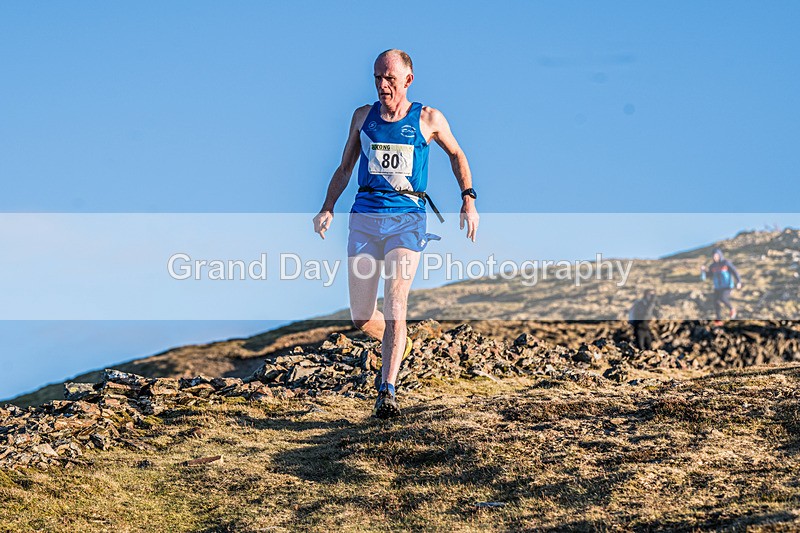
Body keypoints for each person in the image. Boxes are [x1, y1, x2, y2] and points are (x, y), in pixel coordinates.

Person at [313, 49, 479, 419]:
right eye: (377, 78)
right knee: (360, 316)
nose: (382, 85)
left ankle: (386, 390)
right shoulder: (362, 118)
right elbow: (344, 168)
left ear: (408, 80)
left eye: (390, 78)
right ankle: (398, 342)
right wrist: (327, 207)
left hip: (407, 219)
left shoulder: (428, 118)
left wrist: (468, 199)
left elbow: (458, 155)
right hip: (364, 219)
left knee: (395, 303)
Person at [700, 248, 742, 324]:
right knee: (716, 301)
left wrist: (739, 281)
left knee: (723, 298)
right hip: (717, 287)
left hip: (727, 286)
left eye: (716, 255)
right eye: (713, 256)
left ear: (719, 255)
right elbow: (709, 275)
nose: (714, 257)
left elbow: (734, 271)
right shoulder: (712, 266)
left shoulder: (725, 263)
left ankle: (732, 309)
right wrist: (704, 270)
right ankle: (718, 320)